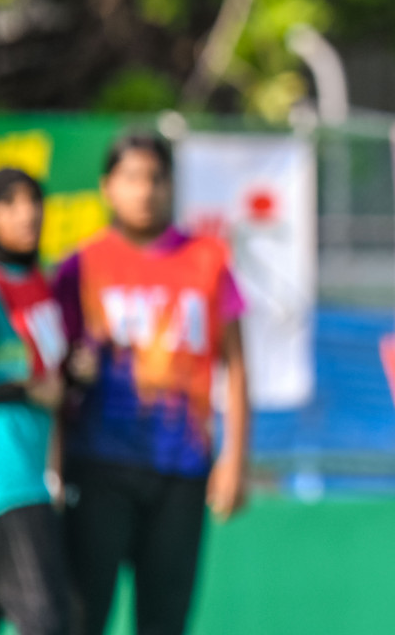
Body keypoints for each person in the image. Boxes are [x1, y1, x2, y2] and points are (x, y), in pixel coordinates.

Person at [52, 133, 249, 635]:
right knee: (81, 615)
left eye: (156, 178)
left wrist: (234, 460)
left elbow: (237, 365)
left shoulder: (207, 259)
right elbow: (52, 370)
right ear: (107, 187)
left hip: (181, 467)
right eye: (132, 178)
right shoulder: (80, 265)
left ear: (171, 185)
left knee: (165, 620)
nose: (145, 190)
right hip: (98, 464)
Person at [0, 168, 69, 635]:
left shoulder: (36, 282)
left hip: (30, 476)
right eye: (9, 202)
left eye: (33, 200)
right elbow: (24, 384)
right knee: (50, 621)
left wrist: (75, 369)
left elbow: (43, 375)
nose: (27, 212)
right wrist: (22, 391)